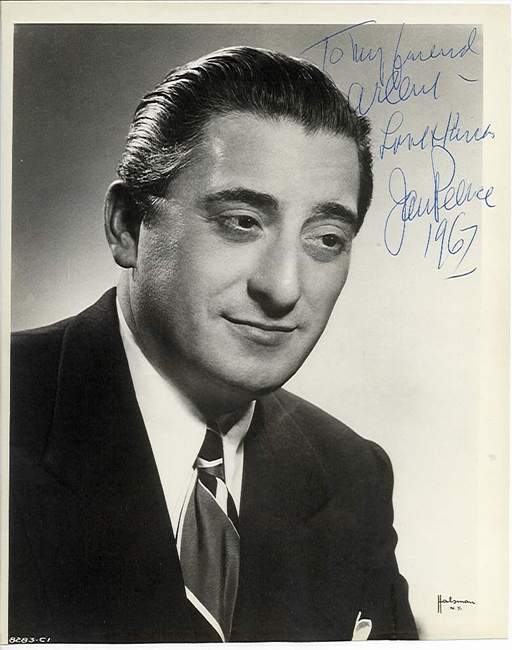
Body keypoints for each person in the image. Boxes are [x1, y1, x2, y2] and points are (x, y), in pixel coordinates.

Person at [9, 46, 417, 643]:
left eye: (327, 238)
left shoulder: (352, 473)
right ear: (127, 226)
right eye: (241, 222)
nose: (283, 288)